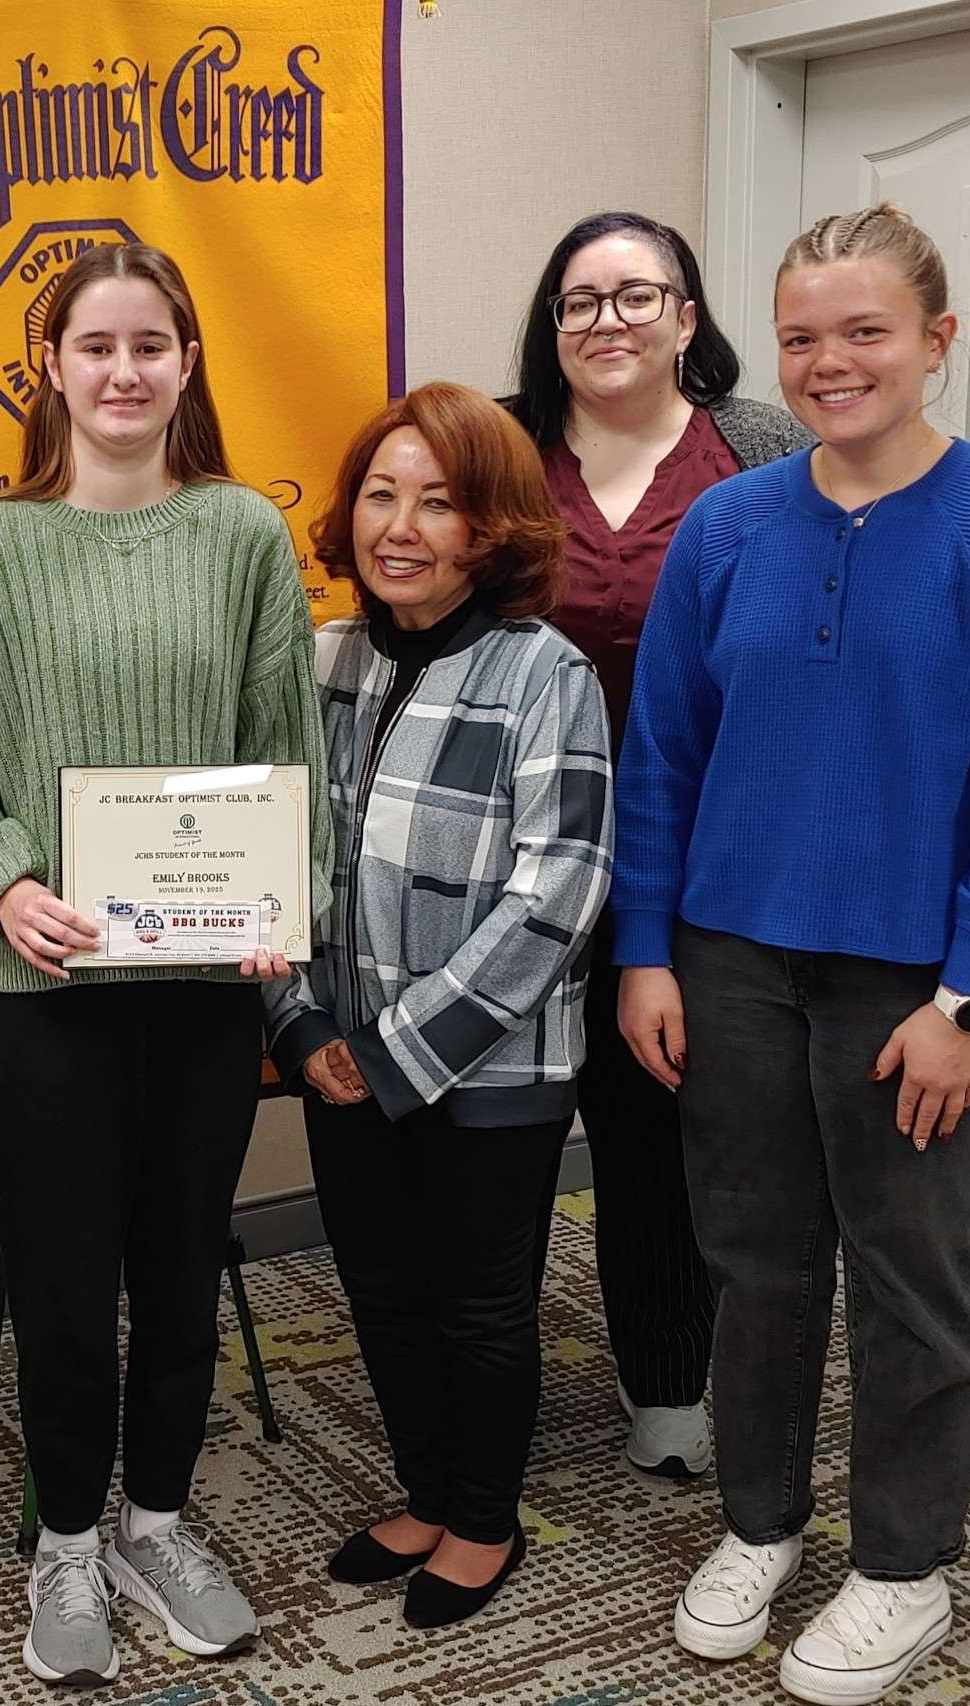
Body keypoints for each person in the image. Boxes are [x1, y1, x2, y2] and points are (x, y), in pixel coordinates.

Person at [0, 241, 330, 1687]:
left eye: (151, 343)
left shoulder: (241, 538)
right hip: (52, 999)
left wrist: (292, 898)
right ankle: (68, 1544)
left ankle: (158, 1521)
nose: (123, 371)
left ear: (188, 361)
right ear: (50, 364)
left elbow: (293, 752)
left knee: (179, 1271)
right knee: (66, 1282)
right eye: (95, 345)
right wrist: (4, 882)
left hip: (209, 994)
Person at [617, 203, 970, 1706]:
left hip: (917, 986)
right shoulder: (729, 525)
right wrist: (647, 953)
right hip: (735, 958)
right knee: (756, 1264)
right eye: (804, 338)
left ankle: (905, 1565)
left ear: (938, 344)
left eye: (866, 332)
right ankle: (762, 1525)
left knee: (916, 1277)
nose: (831, 364)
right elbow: (663, 758)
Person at [264, 383, 613, 1627]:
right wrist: (305, 1029)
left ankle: (482, 1516)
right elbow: (278, 863)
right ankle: (421, 1487)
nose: (401, 526)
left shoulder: (543, 673)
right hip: (337, 1055)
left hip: (492, 1073)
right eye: (379, 493)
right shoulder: (322, 661)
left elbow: (557, 895)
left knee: (477, 1303)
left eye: (440, 502)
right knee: (382, 1289)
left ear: (490, 528)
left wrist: (394, 1055)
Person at [508, 212, 811, 1480]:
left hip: (695, 869)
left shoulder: (766, 453)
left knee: (659, 1134)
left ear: (689, 317)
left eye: (639, 296)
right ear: (552, 326)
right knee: (504, 1138)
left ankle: (671, 1384)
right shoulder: (502, 453)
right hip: (515, 862)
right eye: (581, 300)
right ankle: (482, 1391)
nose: (609, 321)